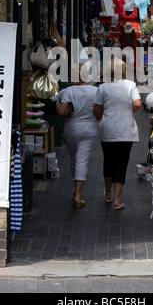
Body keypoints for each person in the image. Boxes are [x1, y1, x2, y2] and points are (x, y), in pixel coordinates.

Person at [93, 58, 142, 210]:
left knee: (108, 161)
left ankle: (108, 193)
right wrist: (130, 111)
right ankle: (117, 199)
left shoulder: (103, 88)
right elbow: (138, 104)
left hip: (108, 129)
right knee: (121, 163)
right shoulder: (130, 85)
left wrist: (103, 117)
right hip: (126, 130)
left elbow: (97, 111)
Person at [57, 64, 98, 208]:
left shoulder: (69, 91)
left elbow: (61, 113)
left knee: (74, 159)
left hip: (71, 129)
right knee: (82, 161)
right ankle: (78, 195)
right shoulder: (95, 91)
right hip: (89, 129)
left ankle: (76, 192)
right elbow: (99, 112)